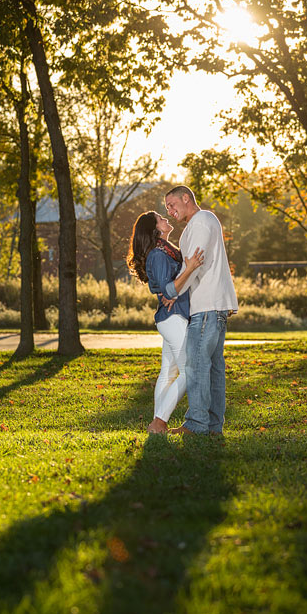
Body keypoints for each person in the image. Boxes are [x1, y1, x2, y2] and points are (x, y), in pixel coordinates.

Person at [163, 185, 238, 436]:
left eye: (172, 204)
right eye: (167, 209)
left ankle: (196, 424)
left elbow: (193, 265)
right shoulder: (199, 224)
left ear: (187, 198)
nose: (170, 210)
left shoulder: (201, 221)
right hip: (212, 305)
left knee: (195, 365)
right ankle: (213, 426)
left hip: (207, 306)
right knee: (214, 367)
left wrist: (173, 293)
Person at [127, 211, 204, 434]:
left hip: (173, 318)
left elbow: (167, 287)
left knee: (168, 373)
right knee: (189, 371)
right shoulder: (159, 255)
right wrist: (189, 268)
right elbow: (165, 288)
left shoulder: (167, 252)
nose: (166, 219)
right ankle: (159, 421)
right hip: (173, 318)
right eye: (161, 218)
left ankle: (156, 424)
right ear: (155, 229)